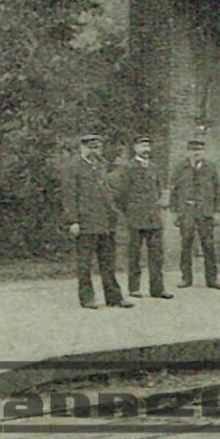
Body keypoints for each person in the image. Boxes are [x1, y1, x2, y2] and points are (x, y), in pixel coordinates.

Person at [53, 132, 132, 310]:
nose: (94, 151)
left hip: (104, 222)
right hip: (85, 222)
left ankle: (114, 297)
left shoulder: (102, 166)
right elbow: (69, 196)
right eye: (90, 147)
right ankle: (87, 298)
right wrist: (73, 221)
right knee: (85, 263)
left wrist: (113, 214)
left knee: (108, 262)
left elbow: (107, 193)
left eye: (97, 147)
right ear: (82, 147)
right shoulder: (73, 167)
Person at [111, 136, 172, 299]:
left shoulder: (154, 167)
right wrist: (130, 212)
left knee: (156, 255)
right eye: (142, 145)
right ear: (135, 148)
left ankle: (157, 289)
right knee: (135, 254)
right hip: (135, 218)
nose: (146, 149)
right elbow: (120, 194)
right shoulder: (128, 168)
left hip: (153, 218)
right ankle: (134, 288)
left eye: (148, 145)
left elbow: (159, 190)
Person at [170, 137, 220, 289]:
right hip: (186, 211)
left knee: (208, 245)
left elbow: (217, 190)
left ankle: (212, 279)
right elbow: (174, 191)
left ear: (204, 151)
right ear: (188, 151)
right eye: (193, 150)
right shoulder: (180, 168)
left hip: (205, 211)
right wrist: (174, 211)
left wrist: (218, 210)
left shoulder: (210, 168)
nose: (196, 153)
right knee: (186, 243)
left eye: (199, 150)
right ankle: (186, 278)